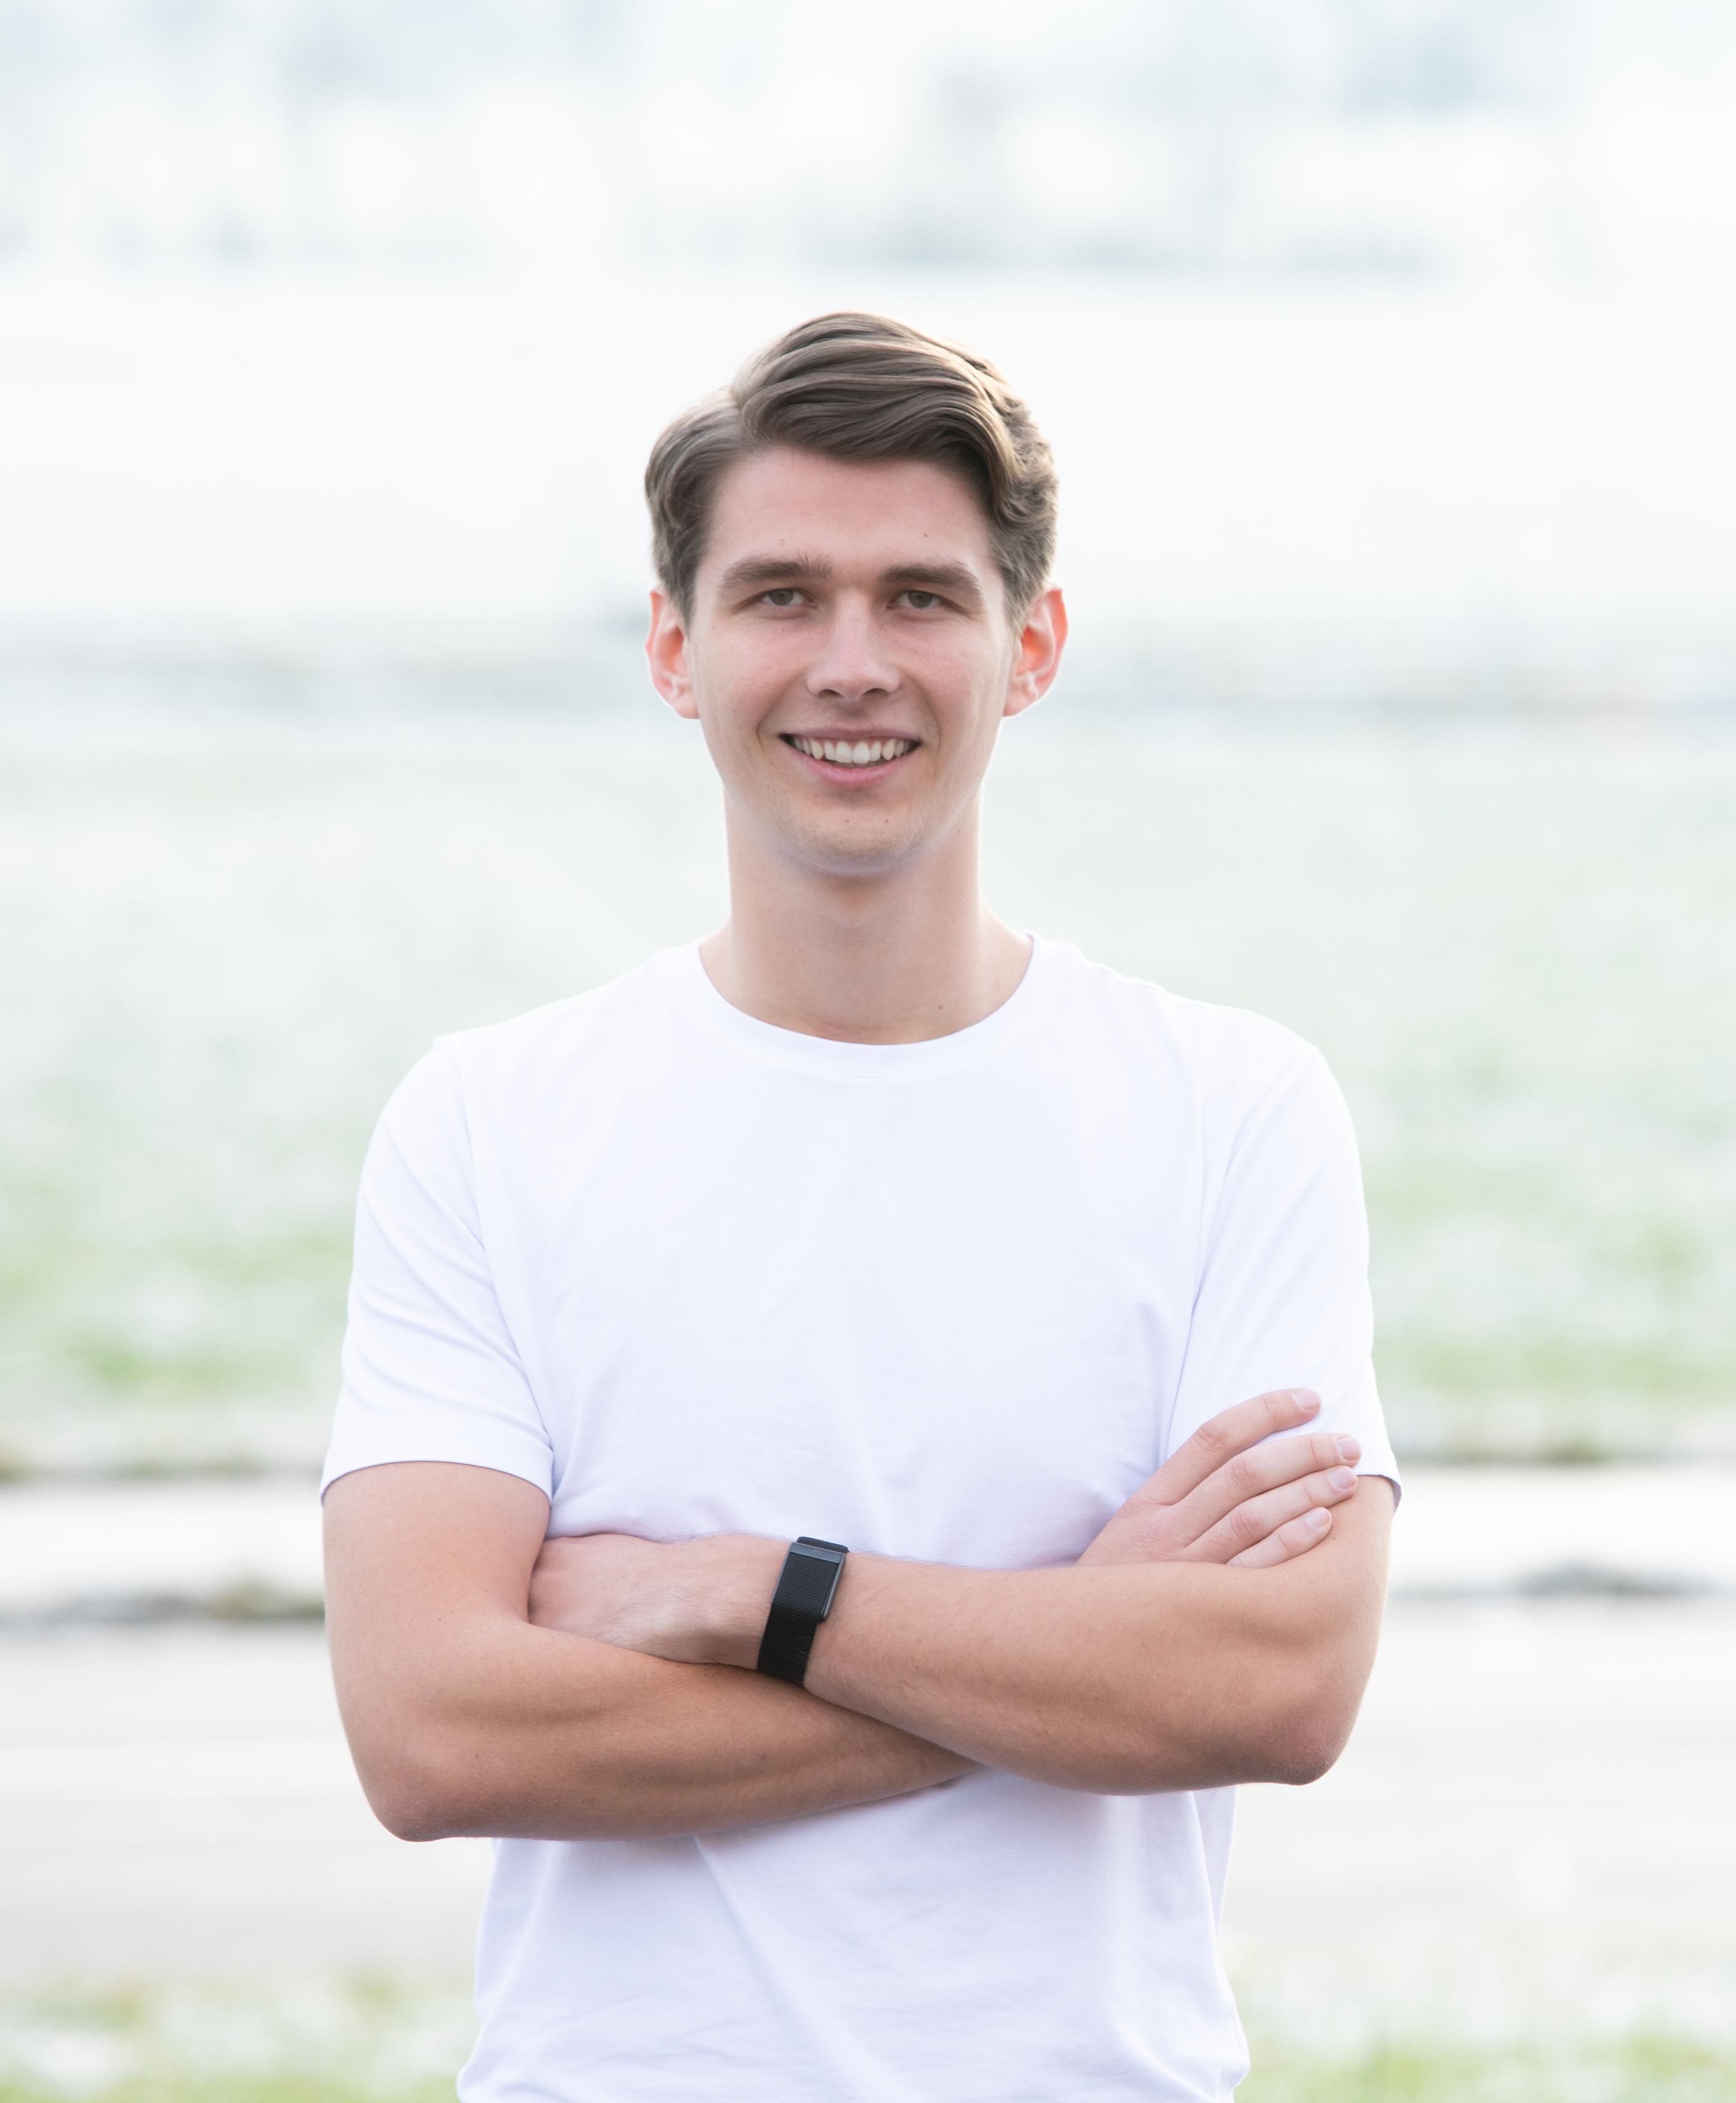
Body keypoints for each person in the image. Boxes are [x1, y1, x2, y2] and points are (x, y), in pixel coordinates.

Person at [318, 311, 1401, 2102]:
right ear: (673, 648)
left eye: (920, 599)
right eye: (780, 597)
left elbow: (1278, 1691)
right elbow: (432, 1732)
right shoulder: (488, 1123)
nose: (851, 664)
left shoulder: (1232, 1111)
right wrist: (1065, 1646)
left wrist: (751, 1594)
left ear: (1028, 646)